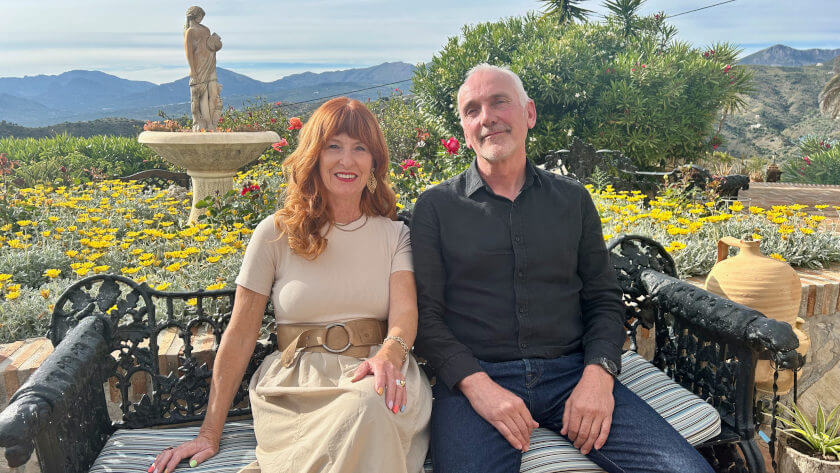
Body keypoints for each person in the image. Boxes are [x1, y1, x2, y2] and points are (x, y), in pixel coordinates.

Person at [410, 63, 714, 473]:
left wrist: (599, 375)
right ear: (465, 129)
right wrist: (478, 388)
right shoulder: (436, 208)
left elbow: (604, 301)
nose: (487, 118)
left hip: (572, 372)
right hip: (476, 383)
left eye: (500, 102)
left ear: (529, 113)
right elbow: (426, 319)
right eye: (472, 110)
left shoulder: (572, 200)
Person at [150, 97, 432, 473]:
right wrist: (209, 433)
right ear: (313, 156)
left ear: (374, 163)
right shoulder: (275, 233)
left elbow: (405, 313)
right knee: (362, 409)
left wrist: (388, 357)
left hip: (377, 373)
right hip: (299, 387)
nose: (347, 160)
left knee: (368, 404)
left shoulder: (395, 234)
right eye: (334, 146)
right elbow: (240, 332)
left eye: (359, 148)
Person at [184, 6, 223, 131]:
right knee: (201, 95)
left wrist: (215, 42)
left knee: (213, 92)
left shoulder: (206, 29)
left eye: (202, 16)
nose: (201, 18)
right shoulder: (190, 32)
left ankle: (212, 121)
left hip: (210, 63)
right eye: (199, 15)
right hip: (199, 66)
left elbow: (209, 45)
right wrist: (192, 69)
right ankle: (205, 123)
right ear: (193, 16)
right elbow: (189, 53)